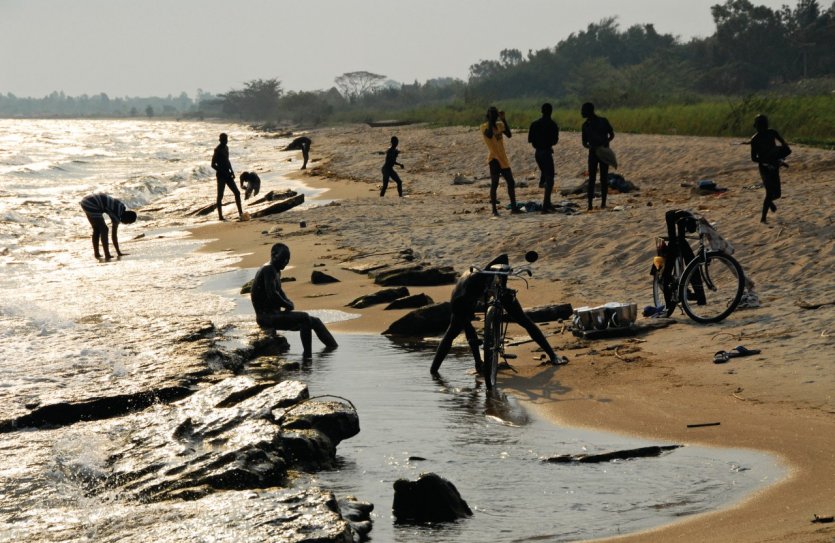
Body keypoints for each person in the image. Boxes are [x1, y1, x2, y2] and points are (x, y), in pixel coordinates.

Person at [430, 254, 566, 376]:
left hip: (495, 286)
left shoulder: (487, 274)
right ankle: (434, 371)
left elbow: (504, 257)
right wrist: (478, 362)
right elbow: (470, 332)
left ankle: (552, 355)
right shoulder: (463, 297)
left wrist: (503, 284)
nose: (490, 292)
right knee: (452, 331)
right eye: (488, 290)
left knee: (523, 319)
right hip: (464, 296)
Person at [250, 243, 338, 358]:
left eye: (288, 259)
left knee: (315, 321)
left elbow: (279, 291)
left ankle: (334, 348)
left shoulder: (276, 271)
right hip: (266, 317)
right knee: (304, 318)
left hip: (274, 314)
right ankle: (307, 356)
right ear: (274, 255)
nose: (286, 262)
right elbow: (272, 295)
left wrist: (287, 302)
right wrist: (287, 304)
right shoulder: (268, 269)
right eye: (283, 258)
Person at [750, 114, 790, 224]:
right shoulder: (755, 139)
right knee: (769, 192)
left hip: (774, 165)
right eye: (759, 125)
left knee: (777, 194)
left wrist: (779, 157)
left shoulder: (772, 133)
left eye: (762, 125)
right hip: (764, 168)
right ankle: (763, 218)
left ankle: (769, 202)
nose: (761, 127)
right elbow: (754, 158)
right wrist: (765, 161)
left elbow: (785, 146)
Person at [481, 106, 519, 216]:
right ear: (488, 116)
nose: (494, 116)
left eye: (495, 114)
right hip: (493, 159)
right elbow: (489, 134)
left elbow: (509, 134)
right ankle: (494, 209)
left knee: (511, 182)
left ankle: (514, 207)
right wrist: (490, 120)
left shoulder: (499, 125)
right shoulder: (484, 127)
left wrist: (503, 119)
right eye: (492, 114)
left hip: (503, 158)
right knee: (495, 184)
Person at [79, 193, 137, 260]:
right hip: (92, 204)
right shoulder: (117, 214)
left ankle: (97, 253)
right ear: (127, 218)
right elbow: (114, 235)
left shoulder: (120, 206)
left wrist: (118, 252)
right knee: (104, 229)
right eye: (128, 222)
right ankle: (107, 254)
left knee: (96, 229)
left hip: (86, 200)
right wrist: (118, 252)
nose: (126, 223)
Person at [580, 102, 615, 211]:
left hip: (594, 153)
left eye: (583, 110)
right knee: (603, 178)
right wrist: (605, 143)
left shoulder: (586, 125)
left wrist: (592, 146)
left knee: (593, 179)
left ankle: (590, 205)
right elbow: (611, 134)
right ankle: (602, 203)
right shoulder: (602, 121)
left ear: (589, 111)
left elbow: (584, 143)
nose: (581, 113)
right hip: (601, 152)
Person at [528, 103, 560, 213]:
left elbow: (531, 141)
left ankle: (548, 203)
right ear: (551, 111)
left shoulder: (535, 124)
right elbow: (555, 141)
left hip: (538, 153)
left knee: (547, 177)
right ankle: (546, 206)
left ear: (541, 111)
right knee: (550, 179)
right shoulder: (553, 125)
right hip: (546, 152)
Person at [210, 132, 244, 221]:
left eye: (226, 139)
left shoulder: (226, 148)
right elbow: (213, 164)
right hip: (221, 176)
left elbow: (227, 161)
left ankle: (240, 212)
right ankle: (220, 216)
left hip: (228, 175)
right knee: (220, 196)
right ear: (220, 140)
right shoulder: (217, 150)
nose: (226, 141)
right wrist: (221, 170)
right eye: (224, 140)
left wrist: (231, 171)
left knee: (237, 193)